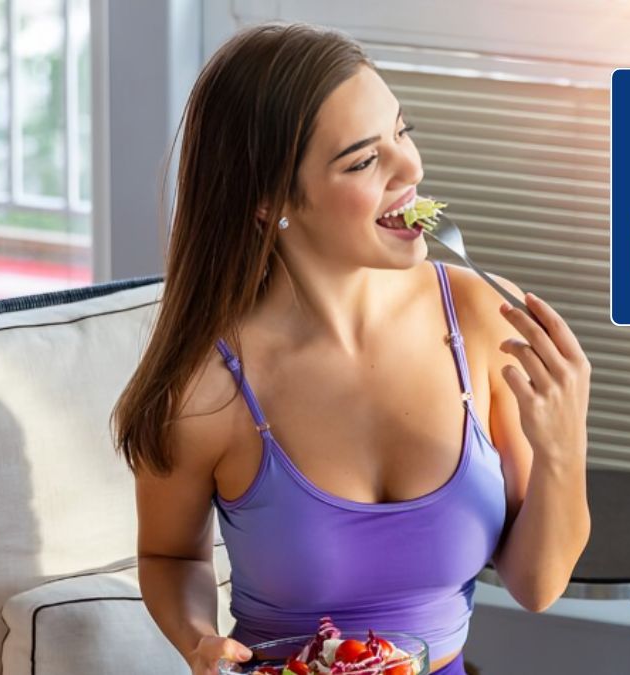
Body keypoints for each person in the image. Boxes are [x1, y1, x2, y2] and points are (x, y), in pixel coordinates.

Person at [112, 22, 591, 675]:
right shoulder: (207, 387)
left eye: (403, 132)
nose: (411, 168)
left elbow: (539, 585)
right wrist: (197, 636)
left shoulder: (481, 319)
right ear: (269, 199)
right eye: (364, 160)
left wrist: (564, 446)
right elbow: (171, 556)